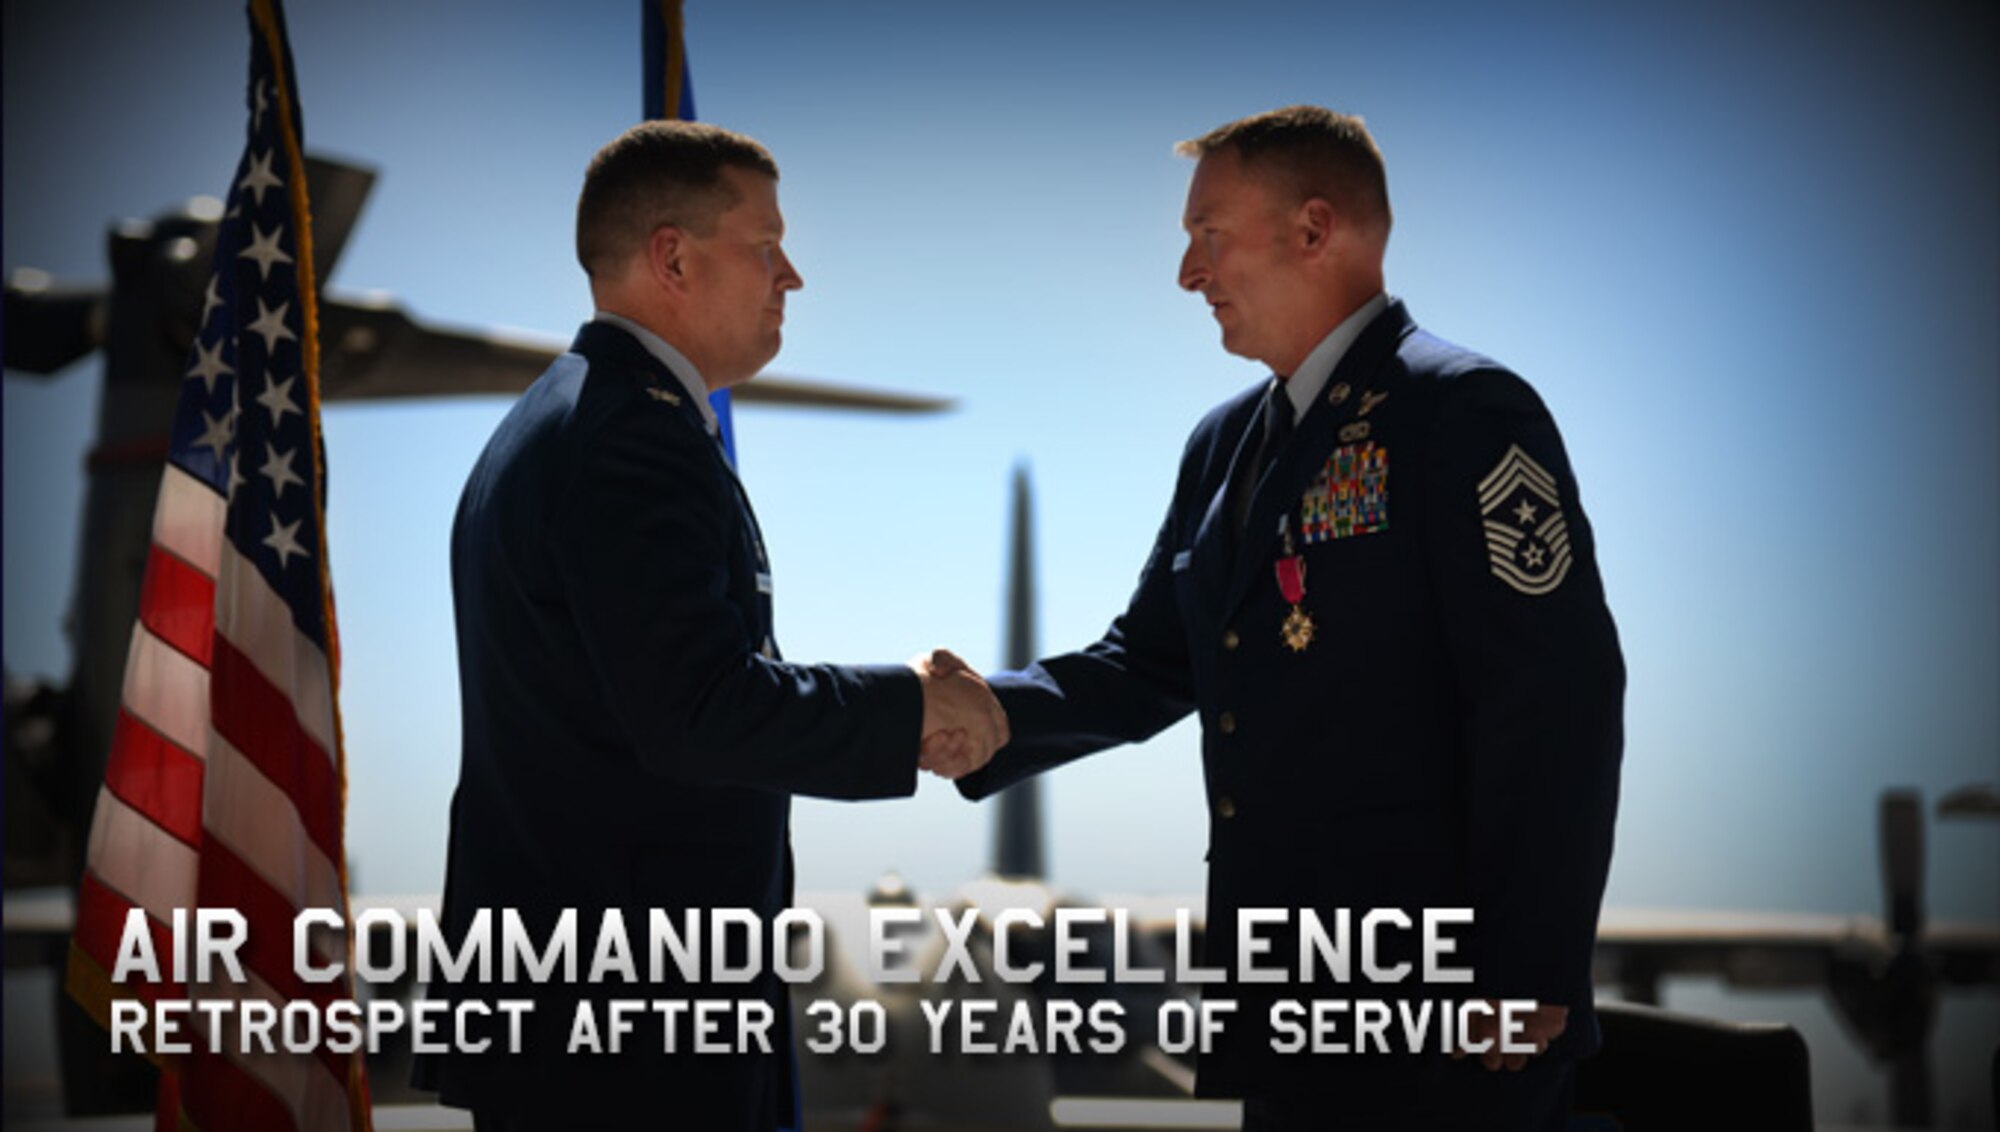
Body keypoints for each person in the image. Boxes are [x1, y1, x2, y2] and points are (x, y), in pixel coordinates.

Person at [948, 106, 1624, 1129]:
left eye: (1207, 235)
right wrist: (990, 716)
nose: (1187, 272)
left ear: (1313, 230)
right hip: (1289, 1008)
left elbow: (1555, 699)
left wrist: (1526, 973)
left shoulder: (1464, 412)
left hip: (1444, 1021)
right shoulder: (1221, 447)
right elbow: (1146, 660)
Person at [414, 120, 1007, 1130]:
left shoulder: (566, 417)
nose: (793, 277)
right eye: (765, 246)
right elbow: (696, 708)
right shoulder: (630, 440)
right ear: (672, 257)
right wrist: (911, 707)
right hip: (631, 1034)